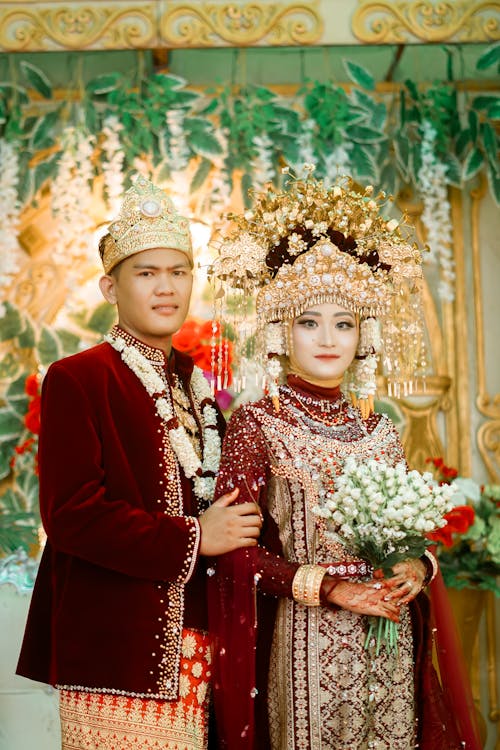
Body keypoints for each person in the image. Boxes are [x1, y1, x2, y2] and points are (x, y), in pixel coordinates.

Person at [208, 172, 481, 749]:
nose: (327, 338)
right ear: (282, 331)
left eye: (344, 323)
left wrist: (416, 570)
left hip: (389, 640)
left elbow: (410, 540)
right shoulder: (257, 424)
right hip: (306, 639)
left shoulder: (382, 429)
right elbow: (236, 556)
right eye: (309, 322)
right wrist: (331, 589)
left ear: (365, 335)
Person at [16, 175, 262, 750]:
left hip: (199, 641)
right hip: (116, 649)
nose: (166, 288)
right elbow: (72, 515)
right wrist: (196, 537)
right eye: (146, 273)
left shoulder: (197, 387)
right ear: (110, 286)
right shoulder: (79, 379)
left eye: (179, 272)